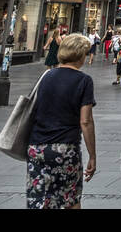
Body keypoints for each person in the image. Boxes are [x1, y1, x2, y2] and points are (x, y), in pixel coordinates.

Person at [26, 33, 97, 208]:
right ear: (80, 55)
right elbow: (85, 121)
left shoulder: (46, 76)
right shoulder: (84, 80)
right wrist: (92, 155)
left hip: (37, 148)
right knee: (70, 199)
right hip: (64, 149)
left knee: (40, 200)